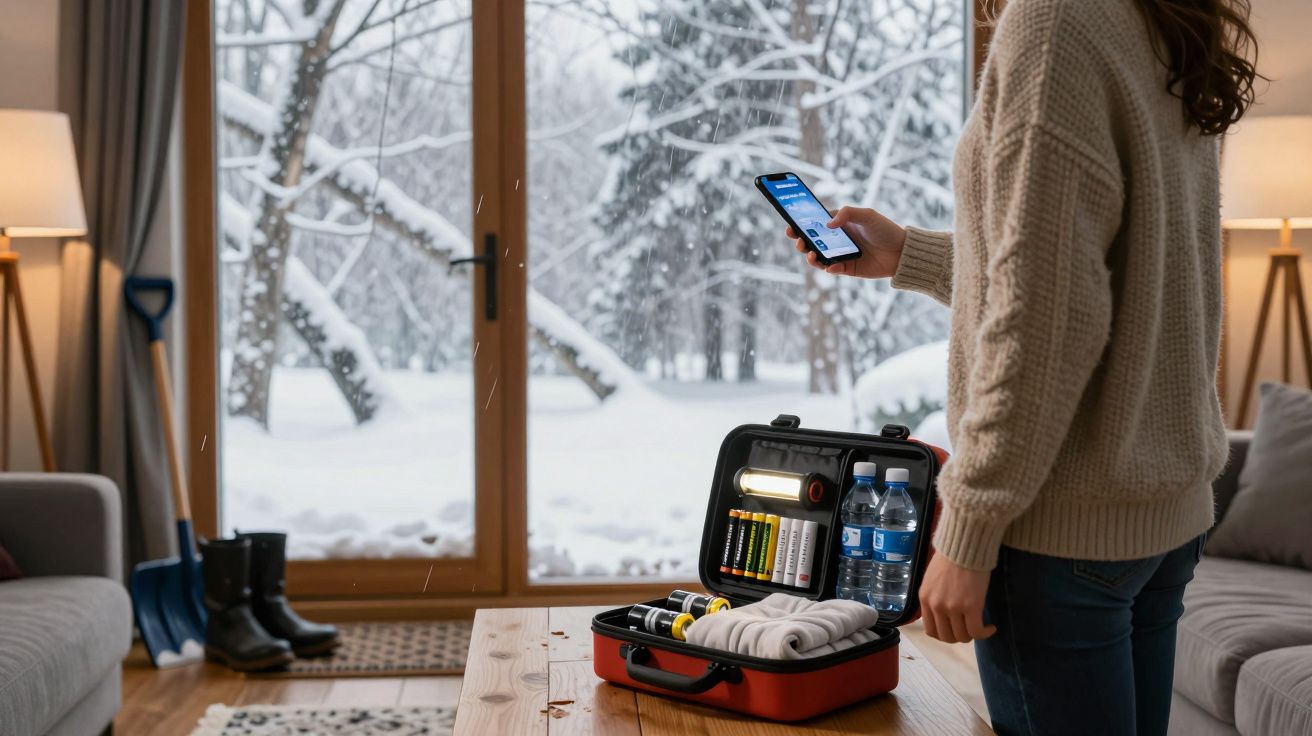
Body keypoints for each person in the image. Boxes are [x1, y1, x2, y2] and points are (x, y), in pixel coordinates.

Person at [787, 0, 1259, 733]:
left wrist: (969, 526)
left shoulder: (1055, 21)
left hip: (1061, 532)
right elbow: (1111, 270)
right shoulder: (1160, 19)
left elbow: (1046, 312)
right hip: (1159, 517)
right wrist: (908, 254)